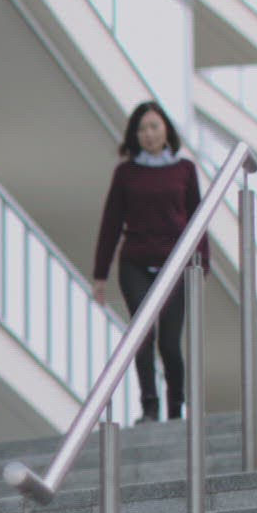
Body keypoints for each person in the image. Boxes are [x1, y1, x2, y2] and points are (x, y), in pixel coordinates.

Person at [91, 101, 204, 423]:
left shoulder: (185, 170)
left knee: (169, 343)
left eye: (154, 126)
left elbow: (198, 219)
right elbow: (111, 224)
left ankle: (176, 408)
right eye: (142, 129)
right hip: (136, 265)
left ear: (166, 129)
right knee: (142, 334)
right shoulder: (126, 174)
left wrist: (202, 264)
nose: (149, 134)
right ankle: (150, 407)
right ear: (134, 136)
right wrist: (100, 275)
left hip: (175, 266)